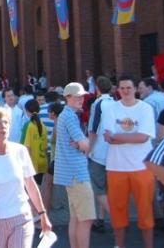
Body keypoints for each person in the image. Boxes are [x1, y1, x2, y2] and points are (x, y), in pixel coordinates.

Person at [0, 107, 51, 248]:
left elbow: (31, 185)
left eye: (6, 122)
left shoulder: (20, 151)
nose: (3, 126)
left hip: (21, 218)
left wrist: (42, 214)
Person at [103, 75, 156, 248]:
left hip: (141, 167)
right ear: (117, 90)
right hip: (116, 167)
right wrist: (130, 137)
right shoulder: (111, 108)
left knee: (145, 211)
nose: (126, 91)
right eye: (122, 88)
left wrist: (119, 137)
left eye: (129, 87)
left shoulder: (145, 108)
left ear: (135, 89)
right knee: (117, 212)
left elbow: (143, 137)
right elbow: (108, 138)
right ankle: (119, 245)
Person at [54, 82, 95, 248]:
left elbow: (81, 143)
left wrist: (81, 144)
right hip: (77, 174)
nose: (81, 99)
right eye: (77, 96)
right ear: (68, 97)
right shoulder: (70, 116)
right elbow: (85, 145)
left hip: (70, 174)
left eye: (82, 96)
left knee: (76, 218)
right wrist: (84, 144)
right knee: (86, 218)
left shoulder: (65, 115)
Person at [87, 75, 115, 234]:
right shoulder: (115, 103)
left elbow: (93, 128)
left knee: (98, 188)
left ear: (97, 87)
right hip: (113, 151)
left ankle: (117, 219)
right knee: (106, 189)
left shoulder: (98, 104)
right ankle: (100, 219)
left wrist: (88, 149)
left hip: (98, 152)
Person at [20, 99, 48, 186]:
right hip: (42, 162)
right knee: (38, 187)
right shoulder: (43, 126)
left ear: (27, 111)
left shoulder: (28, 125)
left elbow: (24, 146)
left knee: (30, 190)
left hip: (31, 163)